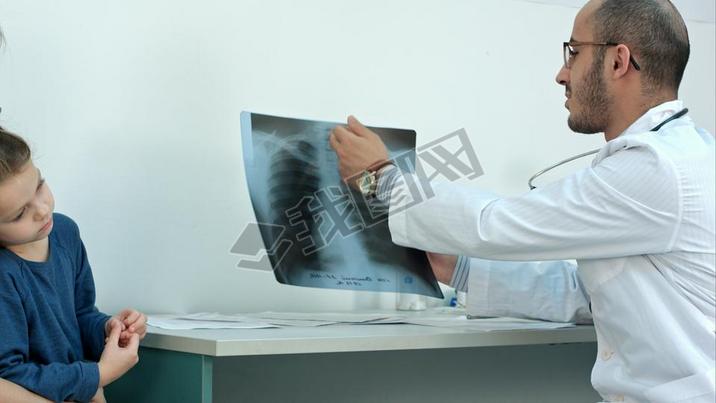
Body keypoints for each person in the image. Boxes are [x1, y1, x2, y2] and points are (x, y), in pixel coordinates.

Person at [330, 0, 714, 401]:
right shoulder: (677, 156)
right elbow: (590, 294)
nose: (561, 74)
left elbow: (495, 224)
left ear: (619, 62)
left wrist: (380, 178)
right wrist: (460, 271)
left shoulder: (657, 168)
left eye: (574, 52)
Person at [0, 128, 148, 402]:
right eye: (20, 213)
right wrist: (98, 375)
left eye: (39, 186)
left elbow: (81, 313)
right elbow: (10, 376)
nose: (42, 210)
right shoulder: (4, 274)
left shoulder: (65, 232)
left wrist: (109, 329)